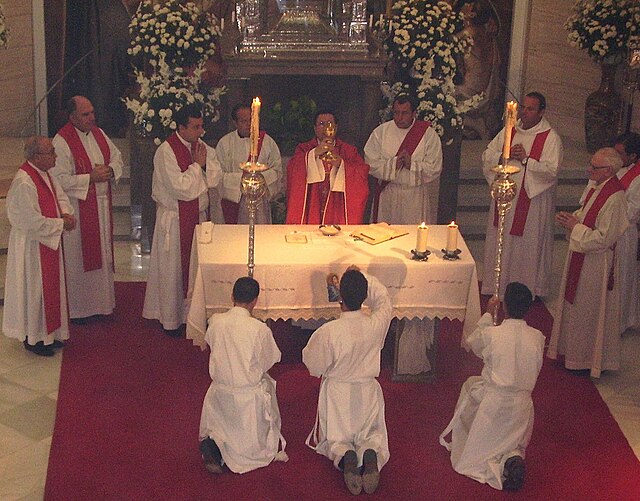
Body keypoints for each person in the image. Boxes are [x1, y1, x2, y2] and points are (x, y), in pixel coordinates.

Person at [439, 283, 544, 491]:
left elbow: (473, 343)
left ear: (504, 306)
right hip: (522, 408)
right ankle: (511, 459)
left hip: (493, 405)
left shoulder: (493, 335)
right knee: (514, 446)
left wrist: (488, 314)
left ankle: (476, 442)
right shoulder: (538, 338)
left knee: (470, 386)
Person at [303, 267, 393, 495]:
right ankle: (370, 452)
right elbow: (383, 299)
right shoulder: (376, 324)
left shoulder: (329, 331)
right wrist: (361, 275)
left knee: (337, 441)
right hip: (367, 392)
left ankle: (346, 457)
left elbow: (313, 365)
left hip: (338, 395)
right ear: (364, 296)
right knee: (371, 435)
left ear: (339, 295)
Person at [548, 147, 629, 378]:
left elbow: (604, 238)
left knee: (589, 310)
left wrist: (576, 226)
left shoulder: (615, 197)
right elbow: (586, 216)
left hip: (597, 264)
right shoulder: (597, 188)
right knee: (577, 308)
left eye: (595, 167)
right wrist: (571, 220)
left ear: (609, 170)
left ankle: (586, 359)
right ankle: (571, 353)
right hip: (582, 256)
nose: (589, 170)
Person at [142, 104, 222, 335]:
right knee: (173, 272)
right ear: (181, 127)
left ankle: (193, 316)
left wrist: (203, 167)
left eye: (201, 126)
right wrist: (198, 167)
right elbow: (181, 190)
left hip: (198, 218)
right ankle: (171, 319)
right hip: (175, 221)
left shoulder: (202, 147)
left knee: (196, 269)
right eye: (195, 127)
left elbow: (215, 177)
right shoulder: (166, 151)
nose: (201, 131)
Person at [199, 276, 287, 474]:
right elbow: (270, 359)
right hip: (248, 398)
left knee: (220, 430)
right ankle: (226, 448)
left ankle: (216, 445)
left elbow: (212, 345)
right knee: (254, 446)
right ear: (255, 300)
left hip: (220, 394)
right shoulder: (259, 329)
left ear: (232, 296)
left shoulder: (216, 321)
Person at [481, 92, 563, 299]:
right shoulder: (509, 130)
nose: (524, 113)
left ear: (541, 111)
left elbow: (551, 171)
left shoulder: (550, 138)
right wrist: (503, 156)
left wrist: (526, 160)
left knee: (525, 245)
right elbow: (487, 155)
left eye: (530, 109)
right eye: (523, 108)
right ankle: (497, 285)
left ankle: (525, 291)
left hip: (531, 203)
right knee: (502, 238)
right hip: (505, 196)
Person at [51, 96, 123, 322]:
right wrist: (89, 178)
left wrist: (110, 171)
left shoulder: (99, 134)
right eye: (85, 114)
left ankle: (103, 305)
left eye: (92, 112)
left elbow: (117, 158)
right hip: (78, 208)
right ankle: (81, 310)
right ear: (72, 117)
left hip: (100, 206)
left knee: (102, 258)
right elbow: (58, 179)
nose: (92, 117)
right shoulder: (61, 142)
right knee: (80, 260)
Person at [3, 137, 76, 357]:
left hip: (46, 240)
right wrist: (60, 223)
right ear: (36, 157)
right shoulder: (25, 181)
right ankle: (34, 338)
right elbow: (30, 221)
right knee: (35, 291)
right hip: (33, 246)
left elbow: (60, 197)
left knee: (49, 291)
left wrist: (65, 213)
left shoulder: (46, 173)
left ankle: (50, 334)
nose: (55, 156)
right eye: (51, 152)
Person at [364, 94, 442, 224]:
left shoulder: (428, 135)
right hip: (388, 193)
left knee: (413, 237)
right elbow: (370, 162)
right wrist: (393, 164)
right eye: (396, 113)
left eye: (404, 113)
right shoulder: (381, 132)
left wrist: (412, 165)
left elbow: (435, 167)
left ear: (414, 113)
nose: (399, 118)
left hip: (414, 196)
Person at [285, 110, 369, 225]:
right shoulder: (304, 149)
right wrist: (313, 154)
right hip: (313, 204)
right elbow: (293, 170)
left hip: (337, 205)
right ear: (315, 128)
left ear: (336, 127)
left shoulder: (348, 150)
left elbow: (362, 173)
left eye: (330, 123)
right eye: (321, 124)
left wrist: (341, 164)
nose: (326, 127)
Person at [216, 102, 282, 224]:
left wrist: (260, 179)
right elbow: (218, 175)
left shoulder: (267, 142)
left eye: (251, 120)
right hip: (234, 200)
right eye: (244, 121)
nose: (249, 125)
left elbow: (277, 169)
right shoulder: (225, 144)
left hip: (259, 201)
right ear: (235, 123)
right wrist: (243, 179)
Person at [613, 132, 640, 333]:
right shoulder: (611, 167)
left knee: (621, 277)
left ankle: (618, 322)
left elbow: (633, 210)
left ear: (632, 157)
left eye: (620, 153)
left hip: (624, 233)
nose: (615, 156)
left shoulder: (637, 177)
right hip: (606, 231)